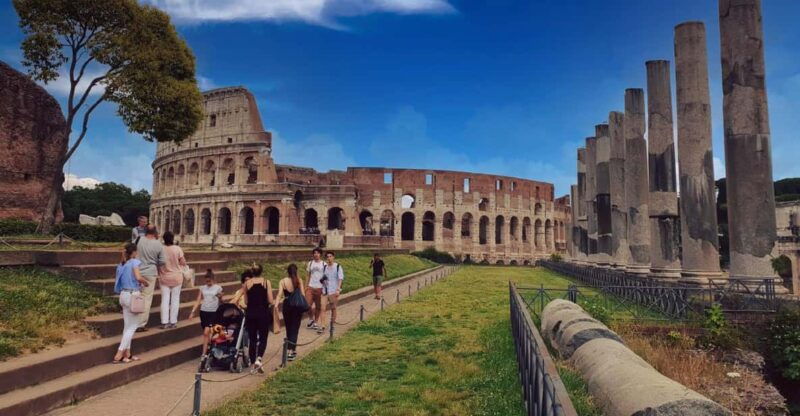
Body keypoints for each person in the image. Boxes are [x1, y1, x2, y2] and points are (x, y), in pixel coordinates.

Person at [113, 243, 149, 363]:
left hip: (123, 295)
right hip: (133, 295)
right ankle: (119, 352)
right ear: (133, 252)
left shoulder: (122, 264)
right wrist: (145, 282)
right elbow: (138, 277)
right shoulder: (134, 262)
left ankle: (127, 353)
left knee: (127, 326)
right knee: (133, 326)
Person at [243, 265, 274, 373]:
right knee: (263, 337)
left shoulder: (247, 283)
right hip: (263, 312)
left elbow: (246, 301)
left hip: (251, 312)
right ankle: (259, 358)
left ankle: (252, 365)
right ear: (261, 271)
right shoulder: (266, 282)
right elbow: (270, 299)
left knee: (252, 339)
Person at [135, 225, 166, 332]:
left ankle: (133, 320)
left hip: (137, 270)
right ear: (155, 232)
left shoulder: (139, 239)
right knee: (146, 298)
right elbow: (162, 261)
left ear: (145, 231)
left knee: (136, 295)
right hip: (150, 272)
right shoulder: (158, 244)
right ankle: (141, 324)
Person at [188, 270, 223, 358]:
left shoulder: (218, 288)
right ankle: (209, 348)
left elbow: (221, 301)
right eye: (206, 281)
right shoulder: (202, 288)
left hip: (213, 312)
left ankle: (204, 353)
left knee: (206, 332)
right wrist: (193, 311)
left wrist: (220, 298)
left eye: (209, 281)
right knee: (207, 333)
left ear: (213, 279)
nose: (208, 283)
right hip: (204, 312)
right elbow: (198, 300)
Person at [275, 264, 305, 361]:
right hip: (296, 305)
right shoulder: (299, 280)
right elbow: (303, 294)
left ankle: (289, 348)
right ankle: (291, 351)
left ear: (287, 271)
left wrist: (276, 304)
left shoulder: (282, 281)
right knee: (295, 328)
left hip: (287, 304)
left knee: (288, 327)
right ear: (296, 271)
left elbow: (279, 294)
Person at [159, 231, 186, 329]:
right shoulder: (177, 249)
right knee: (175, 299)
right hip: (177, 277)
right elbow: (183, 262)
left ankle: (164, 322)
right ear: (173, 238)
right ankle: (173, 321)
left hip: (164, 277)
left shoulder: (161, 249)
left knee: (165, 300)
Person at [320, 251, 344, 332]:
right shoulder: (324, 267)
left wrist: (338, 289)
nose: (329, 258)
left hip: (333, 290)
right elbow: (323, 277)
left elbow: (340, 279)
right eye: (327, 257)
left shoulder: (338, 266)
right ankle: (322, 325)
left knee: (333, 308)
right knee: (322, 308)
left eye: (330, 256)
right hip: (325, 291)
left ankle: (332, 324)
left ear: (333, 257)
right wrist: (322, 280)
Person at [305, 248, 325, 332]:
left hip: (320, 287)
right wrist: (306, 286)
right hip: (311, 287)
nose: (316, 254)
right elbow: (308, 275)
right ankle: (311, 318)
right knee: (307, 305)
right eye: (314, 253)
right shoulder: (310, 263)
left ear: (320, 254)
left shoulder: (324, 264)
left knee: (318, 306)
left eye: (317, 253)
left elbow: (326, 276)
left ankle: (316, 322)